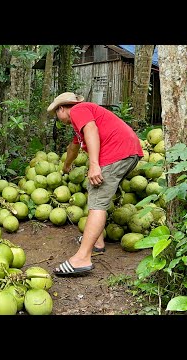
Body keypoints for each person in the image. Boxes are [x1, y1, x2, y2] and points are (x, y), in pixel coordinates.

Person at [47, 92, 143, 276]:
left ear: (61, 108)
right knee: (96, 192)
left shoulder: (79, 109)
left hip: (116, 152)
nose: (57, 118)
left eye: (55, 114)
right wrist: (66, 166)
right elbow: (73, 147)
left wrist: (93, 164)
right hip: (128, 151)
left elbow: (91, 130)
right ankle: (97, 242)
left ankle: (82, 258)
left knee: (97, 200)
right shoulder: (80, 121)